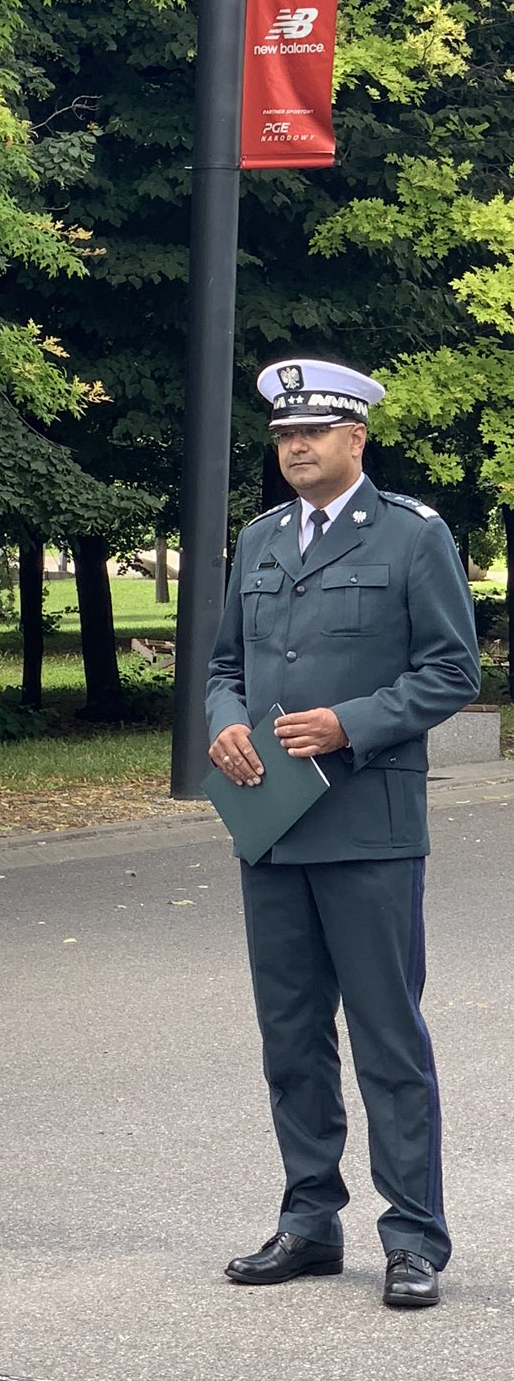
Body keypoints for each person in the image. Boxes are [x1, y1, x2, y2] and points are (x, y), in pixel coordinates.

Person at [207, 360, 480, 1308]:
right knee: (289, 1035)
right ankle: (308, 1220)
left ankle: (413, 1236)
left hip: (368, 826)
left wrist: (349, 723)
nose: (294, 449)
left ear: (355, 439)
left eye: (312, 434)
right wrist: (222, 720)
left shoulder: (412, 536)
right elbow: (225, 665)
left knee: (386, 1036)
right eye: (283, 437)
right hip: (273, 830)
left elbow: (454, 671)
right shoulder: (262, 538)